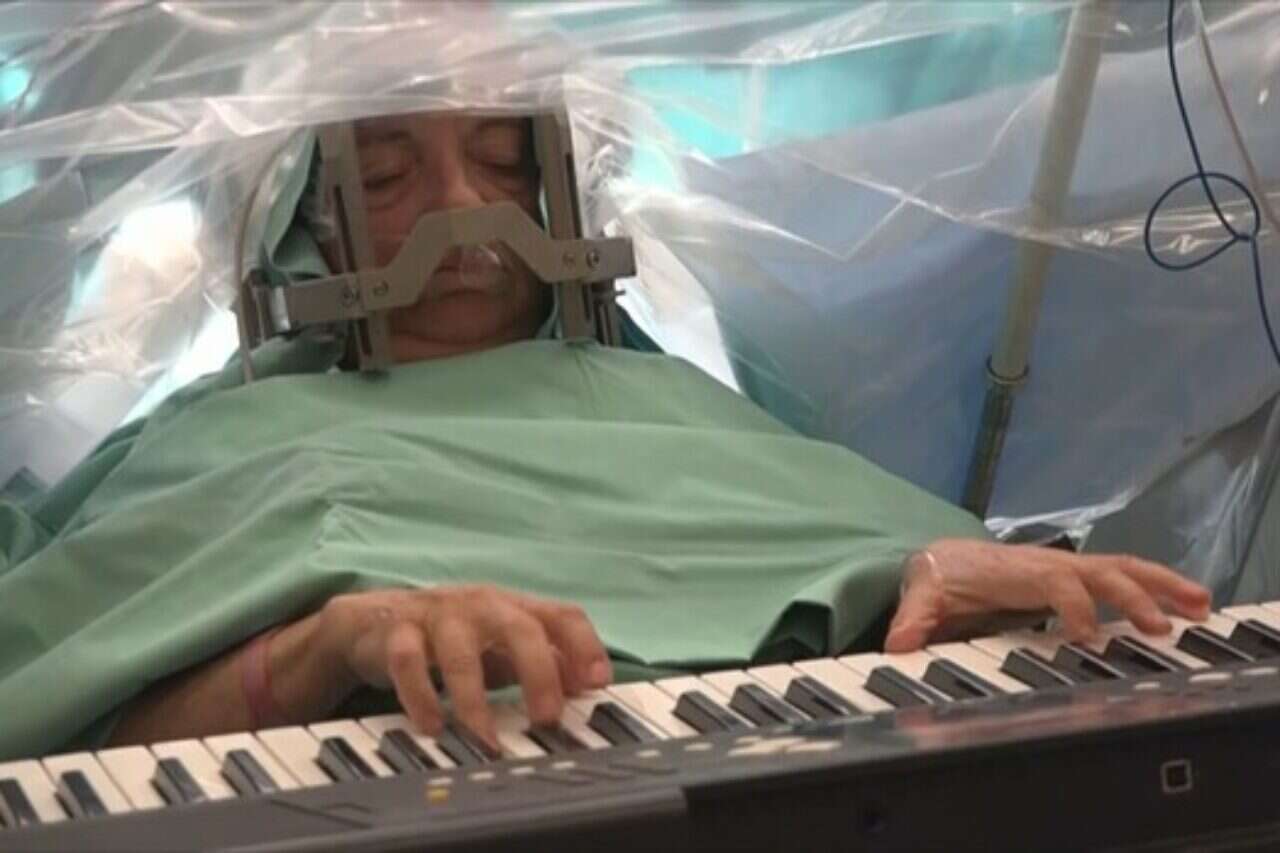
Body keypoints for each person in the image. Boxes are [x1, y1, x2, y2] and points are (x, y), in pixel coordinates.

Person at [7, 111, 1210, 758]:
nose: (466, 210)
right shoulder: (228, 445)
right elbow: (58, 732)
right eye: (382, 177)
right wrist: (322, 648)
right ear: (294, 225)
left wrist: (937, 578)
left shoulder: (678, 408)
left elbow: (846, 561)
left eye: (500, 159)